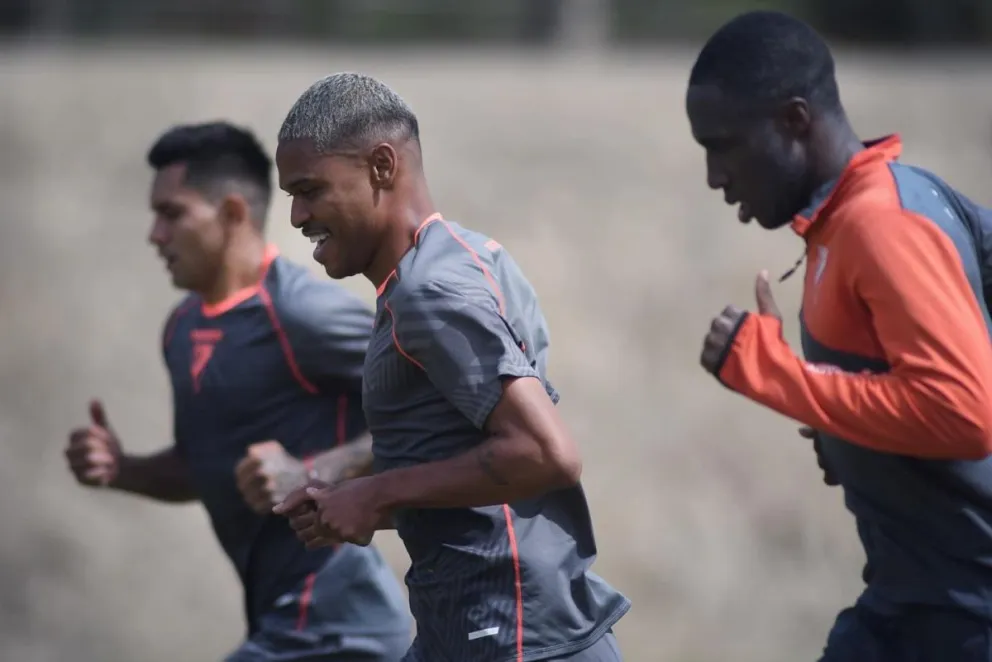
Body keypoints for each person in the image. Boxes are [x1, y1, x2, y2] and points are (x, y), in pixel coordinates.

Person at [271, 73, 631, 662]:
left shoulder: (430, 291)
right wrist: (351, 493)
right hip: (466, 629)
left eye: (309, 189)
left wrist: (379, 494)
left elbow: (546, 454)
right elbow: (463, 449)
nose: (295, 215)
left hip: (513, 635)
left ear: (382, 167)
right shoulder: (464, 258)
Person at [687, 10, 992, 662]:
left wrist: (781, 377)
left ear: (795, 121)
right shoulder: (842, 223)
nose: (715, 177)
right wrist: (848, 437)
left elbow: (963, 414)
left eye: (724, 145)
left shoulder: (882, 227)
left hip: (965, 617)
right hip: (907, 605)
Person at [63, 121, 412, 662]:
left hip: (344, 631)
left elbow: (430, 407)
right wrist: (123, 468)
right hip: (281, 624)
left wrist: (319, 468)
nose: (155, 234)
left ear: (231, 214)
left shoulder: (302, 314)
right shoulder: (182, 330)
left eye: (172, 213)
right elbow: (207, 467)